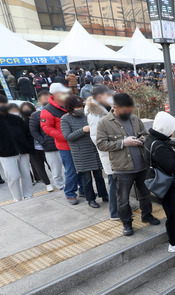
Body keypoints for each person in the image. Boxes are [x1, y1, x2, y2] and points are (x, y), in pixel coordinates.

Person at [95, 92, 159, 235]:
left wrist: (142, 140)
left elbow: (146, 135)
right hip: (122, 167)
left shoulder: (135, 119)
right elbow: (101, 144)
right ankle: (127, 223)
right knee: (123, 198)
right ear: (115, 107)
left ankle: (147, 215)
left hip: (141, 164)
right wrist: (123, 142)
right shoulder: (104, 122)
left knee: (145, 193)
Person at [144, 111, 175, 253]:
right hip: (168, 184)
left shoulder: (151, 139)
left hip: (166, 182)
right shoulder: (158, 145)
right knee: (174, 213)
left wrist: (173, 156)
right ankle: (174, 243)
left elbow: (164, 160)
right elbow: (171, 166)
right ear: (166, 129)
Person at [0, 94, 34, 202]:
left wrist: (28, 145)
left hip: (23, 151)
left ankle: (29, 195)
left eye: (3, 103)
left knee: (26, 175)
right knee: (13, 177)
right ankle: (17, 197)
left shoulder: (16, 119)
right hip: (6, 154)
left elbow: (28, 133)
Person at [60, 95, 106, 208]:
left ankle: (104, 195)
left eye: (81, 106)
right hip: (80, 153)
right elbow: (68, 137)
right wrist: (83, 130)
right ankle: (91, 199)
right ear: (70, 108)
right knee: (87, 178)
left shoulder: (88, 115)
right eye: (77, 107)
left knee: (99, 176)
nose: (80, 109)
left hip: (93, 149)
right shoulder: (65, 119)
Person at [42, 83, 82, 205]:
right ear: (53, 94)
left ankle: (84, 189)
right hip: (65, 145)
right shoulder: (48, 110)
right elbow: (47, 128)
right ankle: (70, 193)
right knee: (71, 170)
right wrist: (65, 137)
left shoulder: (70, 103)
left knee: (82, 168)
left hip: (79, 141)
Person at [86, 85, 120, 219]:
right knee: (113, 182)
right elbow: (97, 139)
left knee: (116, 182)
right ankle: (115, 213)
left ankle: (118, 209)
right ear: (100, 97)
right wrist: (119, 143)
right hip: (110, 154)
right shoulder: (95, 114)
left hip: (114, 152)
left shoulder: (104, 110)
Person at [30, 90, 63, 191]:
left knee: (70, 168)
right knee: (55, 170)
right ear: (39, 101)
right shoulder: (36, 115)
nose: (48, 100)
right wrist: (43, 141)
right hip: (50, 146)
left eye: (49, 98)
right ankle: (61, 187)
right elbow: (34, 131)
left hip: (64, 144)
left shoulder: (60, 110)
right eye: (44, 98)